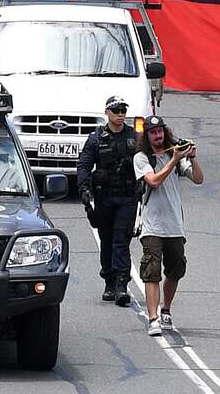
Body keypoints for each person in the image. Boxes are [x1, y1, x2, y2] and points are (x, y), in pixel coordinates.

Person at [134, 115, 204, 337]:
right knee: (151, 272)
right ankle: (153, 318)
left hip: (174, 225)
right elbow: (153, 181)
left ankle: (166, 309)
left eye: (160, 131)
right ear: (147, 136)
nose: (158, 136)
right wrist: (173, 159)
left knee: (175, 270)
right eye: (153, 132)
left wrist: (192, 158)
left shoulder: (175, 154)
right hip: (152, 225)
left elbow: (198, 179)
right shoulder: (142, 158)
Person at [76, 96, 141, 306]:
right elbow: (84, 166)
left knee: (121, 240)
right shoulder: (96, 139)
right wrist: (84, 189)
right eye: (116, 110)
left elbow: (148, 160)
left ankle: (122, 284)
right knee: (106, 240)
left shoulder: (135, 137)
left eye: (123, 110)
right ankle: (109, 281)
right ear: (107, 113)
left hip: (127, 197)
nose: (121, 114)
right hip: (104, 198)